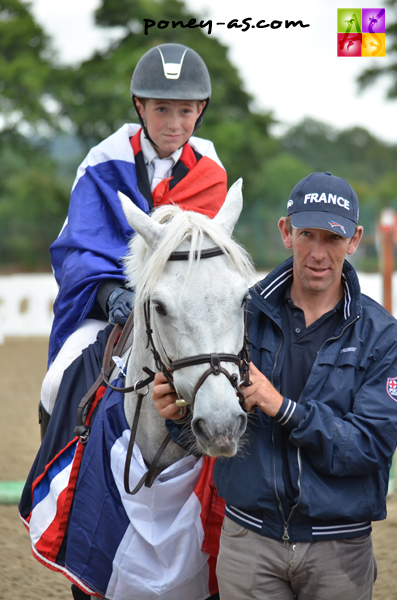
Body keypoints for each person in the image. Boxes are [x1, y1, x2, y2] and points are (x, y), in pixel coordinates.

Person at [153, 171, 397, 599]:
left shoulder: (383, 336)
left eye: (332, 239)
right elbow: (214, 431)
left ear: (355, 240)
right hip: (248, 544)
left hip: (339, 550)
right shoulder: (239, 315)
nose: (318, 253)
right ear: (286, 232)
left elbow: (371, 446)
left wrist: (284, 408)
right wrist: (180, 412)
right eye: (307, 234)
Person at [39, 43, 227, 428]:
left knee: (227, 388)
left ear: (201, 110)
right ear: (139, 106)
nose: (174, 123)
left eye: (185, 111)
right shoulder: (102, 163)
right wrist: (110, 296)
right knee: (56, 384)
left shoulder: (210, 173)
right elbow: (78, 251)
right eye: (161, 109)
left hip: (182, 318)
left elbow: (208, 264)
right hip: (109, 310)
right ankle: (60, 474)